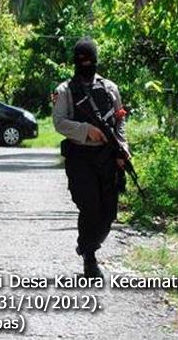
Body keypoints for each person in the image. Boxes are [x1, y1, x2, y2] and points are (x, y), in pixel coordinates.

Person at [52, 37, 129, 278]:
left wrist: (122, 148)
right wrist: (87, 130)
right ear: (75, 62)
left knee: (108, 212)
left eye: (90, 60)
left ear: (96, 61)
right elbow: (59, 122)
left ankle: (90, 245)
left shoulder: (109, 88)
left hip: (107, 156)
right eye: (81, 61)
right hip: (80, 157)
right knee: (90, 207)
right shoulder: (64, 90)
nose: (86, 64)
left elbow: (119, 120)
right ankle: (89, 257)